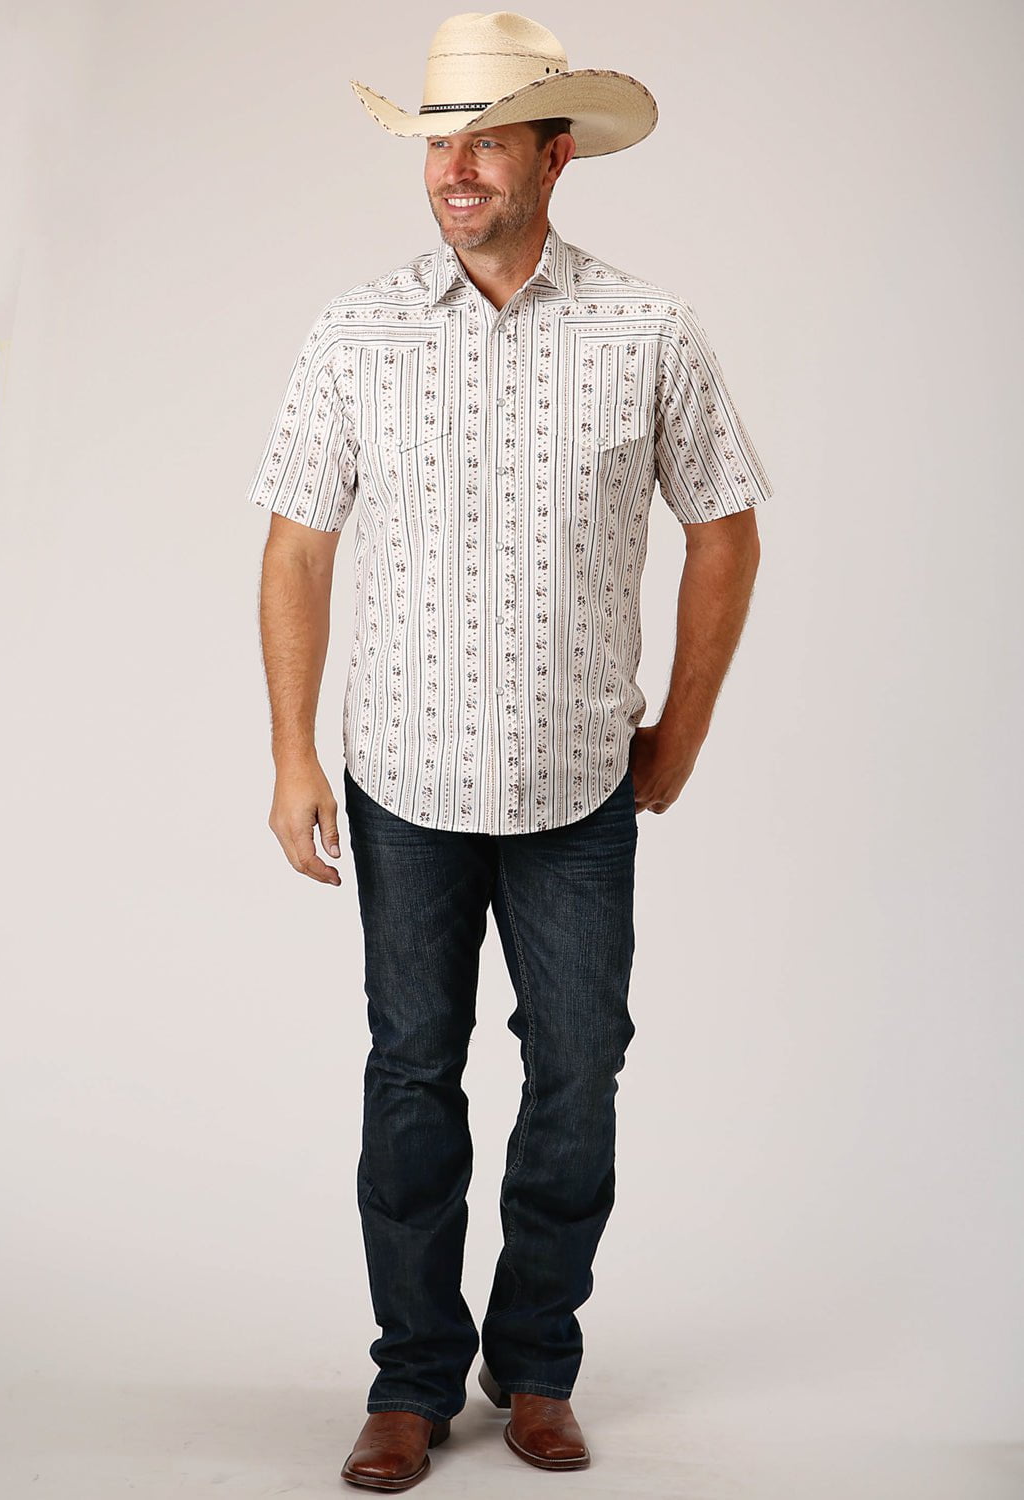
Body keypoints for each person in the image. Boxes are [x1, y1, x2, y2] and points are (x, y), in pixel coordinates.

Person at [245, 11, 773, 1491]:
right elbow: (296, 550)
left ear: (557, 155)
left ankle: (536, 1363)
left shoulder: (648, 330)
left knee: (580, 1070)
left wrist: (682, 729)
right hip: (402, 781)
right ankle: (411, 1379)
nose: (456, 169)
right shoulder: (356, 331)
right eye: (439, 143)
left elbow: (726, 530)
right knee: (411, 1072)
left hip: (576, 786)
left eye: (486, 141)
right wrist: (292, 755)